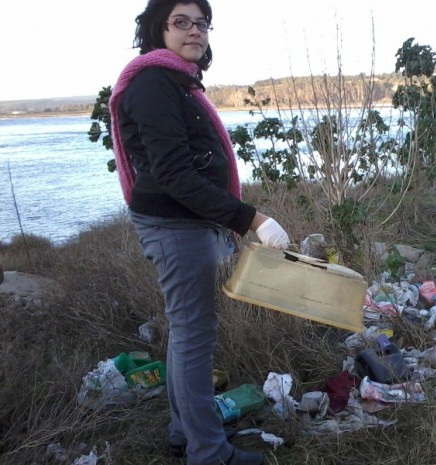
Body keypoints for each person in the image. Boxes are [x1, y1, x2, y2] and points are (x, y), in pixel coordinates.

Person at [109, 1, 290, 464]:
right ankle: (210, 454)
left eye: (201, 22)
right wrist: (254, 219)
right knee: (194, 336)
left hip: (185, 221)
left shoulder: (177, 81)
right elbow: (173, 175)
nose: (194, 31)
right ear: (158, 29)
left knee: (186, 333)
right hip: (174, 225)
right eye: (181, 22)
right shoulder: (152, 84)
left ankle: (182, 433)